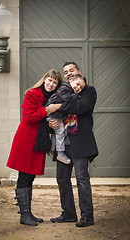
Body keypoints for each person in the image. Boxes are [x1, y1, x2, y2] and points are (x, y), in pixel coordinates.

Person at [6, 69, 63, 226]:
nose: (51, 84)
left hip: (38, 141)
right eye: (50, 80)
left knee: (30, 177)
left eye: (55, 82)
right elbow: (30, 117)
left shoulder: (52, 97)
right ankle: (24, 215)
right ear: (44, 79)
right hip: (27, 140)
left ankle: (28, 212)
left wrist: (51, 122)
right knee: (24, 176)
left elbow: (45, 121)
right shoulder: (32, 93)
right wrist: (47, 110)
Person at [49, 62, 99, 227]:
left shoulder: (87, 91)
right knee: (62, 179)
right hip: (63, 143)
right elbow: (50, 110)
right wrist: (50, 122)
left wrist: (57, 106)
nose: (69, 73)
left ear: (78, 72)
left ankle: (87, 216)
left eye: (71, 70)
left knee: (82, 179)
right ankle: (68, 213)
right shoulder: (62, 89)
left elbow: (80, 107)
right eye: (65, 72)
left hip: (80, 141)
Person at [46, 74, 86, 164]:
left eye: (81, 87)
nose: (78, 88)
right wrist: (77, 96)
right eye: (77, 84)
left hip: (55, 114)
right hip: (53, 114)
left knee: (55, 133)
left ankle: (51, 149)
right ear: (71, 80)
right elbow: (66, 98)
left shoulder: (68, 88)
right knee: (60, 132)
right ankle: (60, 154)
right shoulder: (64, 88)